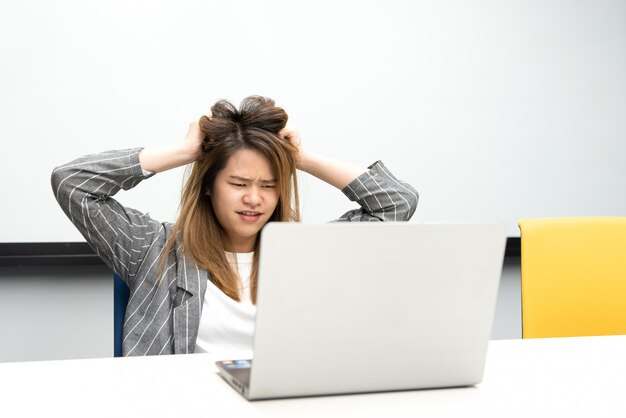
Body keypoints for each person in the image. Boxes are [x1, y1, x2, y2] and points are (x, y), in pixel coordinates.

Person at [51, 96, 418, 358]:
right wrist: (185, 152)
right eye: (240, 184)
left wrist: (300, 159)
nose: (254, 199)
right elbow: (73, 183)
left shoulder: (305, 252)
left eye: (269, 185)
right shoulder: (153, 247)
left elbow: (396, 203)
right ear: (209, 186)